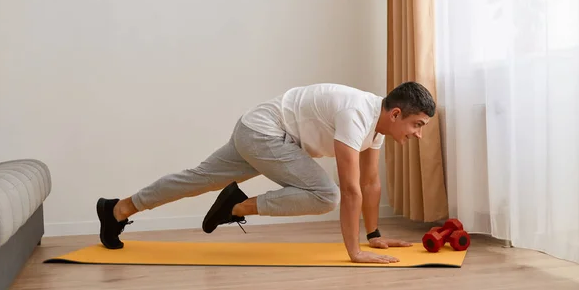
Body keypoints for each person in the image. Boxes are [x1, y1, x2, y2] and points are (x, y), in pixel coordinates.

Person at [96, 81, 435, 264]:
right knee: (326, 194)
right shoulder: (356, 115)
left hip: (256, 130)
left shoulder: (376, 125)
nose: (418, 133)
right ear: (395, 114)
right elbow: (349, 190)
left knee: (197, 178)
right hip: (264, 133)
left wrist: (373, 235)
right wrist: (354, 252)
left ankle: (117, 209)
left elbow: (370, 181)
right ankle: (235, 207)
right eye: (417, 125)